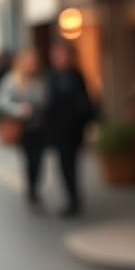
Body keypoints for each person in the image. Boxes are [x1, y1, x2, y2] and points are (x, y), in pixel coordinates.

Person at [44, 39, 95, 217]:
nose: (59, 58)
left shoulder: (76, 76)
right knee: (64, 166)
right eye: (57, 55)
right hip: (59, 131)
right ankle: (72, 198)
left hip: (75, 129)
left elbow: (85, 102)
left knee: (73, 165)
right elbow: (48, 105)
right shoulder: (51, 77)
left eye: (62, 54)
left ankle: (74, 199)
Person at [0, 48, 48, 210]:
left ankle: (35, 188)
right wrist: (19, 110)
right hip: (23, 128)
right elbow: (0, 101)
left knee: (39, 161)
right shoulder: (12, 79)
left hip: (40, 126)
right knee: (30, 160)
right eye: (30, 62)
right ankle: (32, 191)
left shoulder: (41, 79)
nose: (33, 65)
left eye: (35, 62)